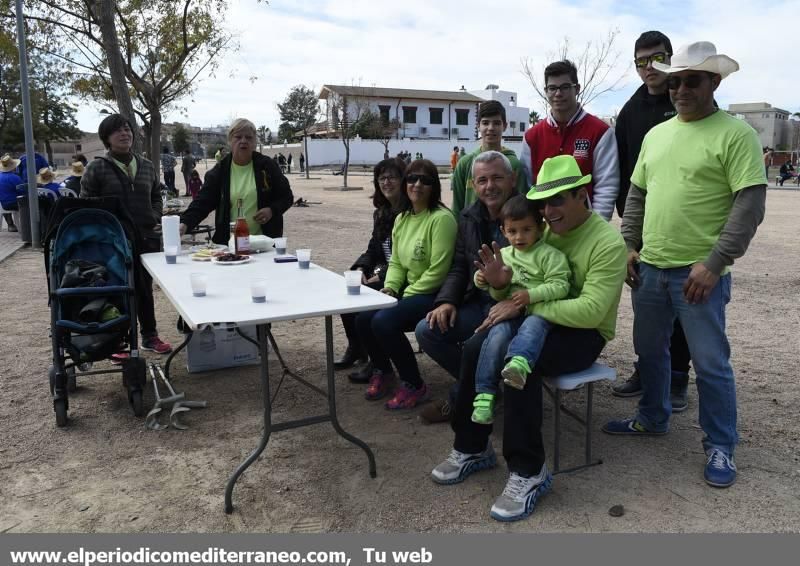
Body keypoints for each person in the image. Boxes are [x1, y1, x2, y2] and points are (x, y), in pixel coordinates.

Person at [603, 42, 767, 489]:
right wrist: (629, 246)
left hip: (699, 276)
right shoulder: (658, 134)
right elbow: (637, 194)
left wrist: (715, 263)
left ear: (714, 82)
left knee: (711, 364)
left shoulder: (735, 134)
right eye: (675, 80)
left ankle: (720, 445)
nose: (680, 89)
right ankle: (653, 418)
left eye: (691, 79)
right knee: (650, 352)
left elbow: (749, 204)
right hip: (650, 270)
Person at [430, 154, 627, 522]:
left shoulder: (606, 243)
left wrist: (521, 305)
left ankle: (528, 471)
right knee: (477, 344)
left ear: (581, 194)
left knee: (519, 365)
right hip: (536, 318)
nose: (548, 210)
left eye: (557, 200)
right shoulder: (543, 231)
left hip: (582, 333)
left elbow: (592, 312)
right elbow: (512, 289)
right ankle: (472, 447)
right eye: (543, 202)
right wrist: (500, 286)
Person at [612, 31, 691, 411]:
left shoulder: (688, 101)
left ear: (670, 57)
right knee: (648, 309)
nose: (649, 68)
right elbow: (625, 171)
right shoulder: (630, 111)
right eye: (641, 62)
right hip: (642, 231)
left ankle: (678, 379)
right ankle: (646, 371)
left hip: (685, 229)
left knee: (684, 308)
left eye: (656, 59)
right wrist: (628, 234)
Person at [414, 150, 516, 424]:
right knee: (428, 330)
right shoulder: (469, 216)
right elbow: (459, 265)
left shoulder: (526, 214)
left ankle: (461, 398)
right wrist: (446, 301)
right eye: (482, 180)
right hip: (477, 301)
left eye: (497, 178)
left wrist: (504, 287)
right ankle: (487, 387)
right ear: (473, 185)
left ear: (512, 179)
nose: (489, 186)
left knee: (474, 346)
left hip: (512, 307)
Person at [355, 159, 457, 410]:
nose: (417, 184)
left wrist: (404, 295)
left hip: (432, 293)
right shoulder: (402, 218)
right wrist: (390, 288)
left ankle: (414, 384)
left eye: (426, 180)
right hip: (408, 289)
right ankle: (383, 370)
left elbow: (438, 270)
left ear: (434, 186)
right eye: (412, 179)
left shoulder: (441, 219)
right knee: (362, 318)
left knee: (383, 321)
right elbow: (397, 263)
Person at [469, 195, 570, 424]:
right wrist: (484, 278)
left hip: (540, 310)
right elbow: (495, 289)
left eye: (526, 229)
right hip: (511, 312)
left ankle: (519, 365)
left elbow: (561, 286)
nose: (519, 237)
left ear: (541, 228)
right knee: (496, 336)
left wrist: (531, 295)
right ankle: (484, 396)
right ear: (503, 231)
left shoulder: (550, 256)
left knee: (533, 325)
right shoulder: (503, 256)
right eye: (512, 231)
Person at [80, 113, 172, 355]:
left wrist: (153, 215)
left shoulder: (147, 165)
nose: (124, 134)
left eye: (127, 129)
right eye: (117, 131)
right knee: (115, 288)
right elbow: (86, 203)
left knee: (144, 288)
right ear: (107, 139)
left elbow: (155, 196)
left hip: (145, 237)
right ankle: (117, 341)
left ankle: (149, 336)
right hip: (112, 241)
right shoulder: (97, 167)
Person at [520, 59, 620, 221]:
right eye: (552, 88)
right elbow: (528, 187)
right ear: (546, 91)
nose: (558, 93)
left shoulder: (600, 132)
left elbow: (606, 187)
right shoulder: (532, 136)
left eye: (565, 87)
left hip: (587, 229)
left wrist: (596, 230)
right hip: (546, 230)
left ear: (577, 89)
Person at [336, 158, 409, 376]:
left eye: (392, 177)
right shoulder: (381, 213)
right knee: (348, 293)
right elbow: (373, 249)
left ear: (403, 180)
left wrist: (381, 275)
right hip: (385, 274)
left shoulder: (411, 214)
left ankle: (378, 360)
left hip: (403, 280)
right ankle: (357, 348)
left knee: (364, 308)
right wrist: (360, 268)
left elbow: (405, 260)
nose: (386, 182)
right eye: (382, 178)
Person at [180, 118, 293, 244]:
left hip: (265, 243)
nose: (243, 141)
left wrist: (272, 210)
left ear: (255, 142)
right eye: (238, 137)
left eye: (249, 137)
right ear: (230, 141)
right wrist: (184, 223)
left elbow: (287, 197)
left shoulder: (268, 166)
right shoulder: (219, 172)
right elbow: (202, 203)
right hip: (229, 244)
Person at [451, 101, 529, 217]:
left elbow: (523, 207)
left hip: (506, 232)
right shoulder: (465, 164)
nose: (491, 128)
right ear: (478, 126)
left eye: (497, 123)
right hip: (471, 231)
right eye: (485, 123)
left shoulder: (514, 165)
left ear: (505, 126)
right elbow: (457, 208)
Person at [0, 154, 22, 231]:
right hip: (15, 203)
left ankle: (10, 224)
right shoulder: (15, 177)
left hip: (3, 204)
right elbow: (22, 191)